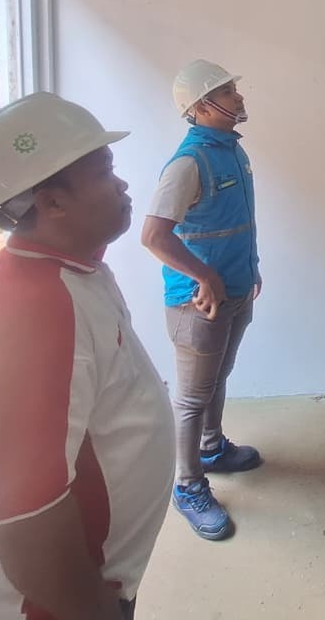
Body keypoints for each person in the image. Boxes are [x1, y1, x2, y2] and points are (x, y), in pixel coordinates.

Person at [0, 92, 175, 620]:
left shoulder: (72, 271)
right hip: (54, 605)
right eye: (106, 171)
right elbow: (27, 520)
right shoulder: (38, 314)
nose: (121, 185)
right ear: (51, 203)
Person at [140, 59, 262, 542]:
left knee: (217, 379)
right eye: (227, 91)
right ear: (202, 106)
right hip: (197, 303)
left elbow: (236, 222)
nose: (238, 97)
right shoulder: (189, 163)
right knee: (192, 398)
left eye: (233, 89)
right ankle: (188, 486)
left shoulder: (232, 151)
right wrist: (205, 275)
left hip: (235, 290)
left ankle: (212, 448)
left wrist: (251, 268)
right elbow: (154, 236)